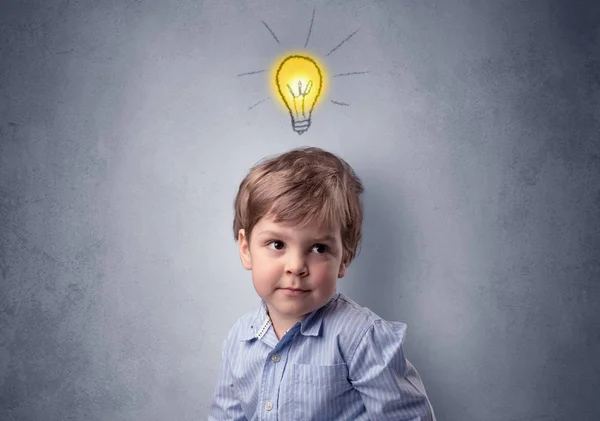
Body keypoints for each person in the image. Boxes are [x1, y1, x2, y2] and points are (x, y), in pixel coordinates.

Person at [208, 147, 436, 420]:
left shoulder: (361, 339)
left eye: (318, 248)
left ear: (344, 258)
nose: (295, 266)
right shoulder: (239, 339)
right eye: (277, 244)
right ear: (246, 249)